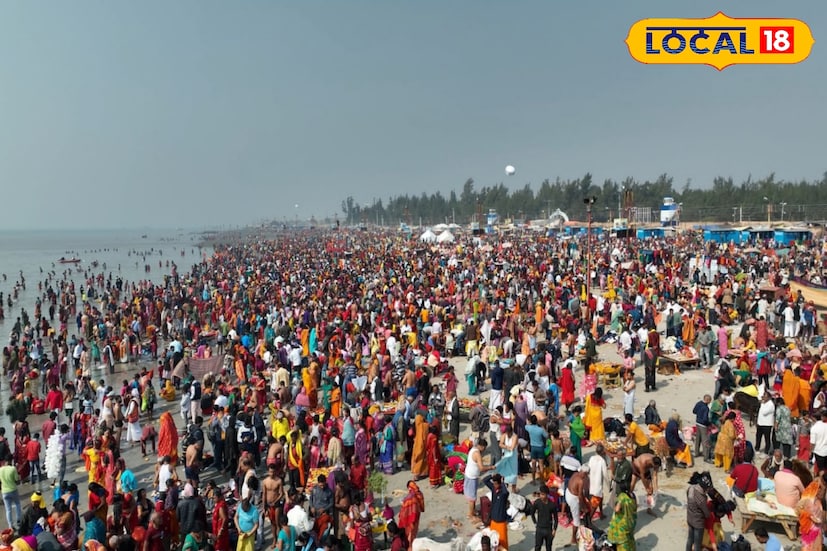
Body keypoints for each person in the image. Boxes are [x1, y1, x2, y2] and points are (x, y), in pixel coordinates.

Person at [464, 438, 492, 520]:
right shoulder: (477, 454)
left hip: (471, 475)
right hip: (471, 477)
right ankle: (470, 514)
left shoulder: (473, 449)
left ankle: (473, 510)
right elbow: (481, 468)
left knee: (473, 496)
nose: (484, 450)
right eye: (484, 448)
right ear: (481, 446)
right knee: (472, 498)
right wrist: (490, 467)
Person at [796, 474, 826, 551]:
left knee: (807, 545)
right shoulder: (816, 503)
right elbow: (818, 519)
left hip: (807, 528)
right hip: (813, 529)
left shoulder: (807, 496)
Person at [565, 466, 592, 546]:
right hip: (573, 498)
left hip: (568, 493)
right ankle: (573, 538)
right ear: (585, 473)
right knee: (576, 521)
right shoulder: (581, 481)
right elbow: (580, 496)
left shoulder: (575, 474)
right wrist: (584, 507)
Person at [685, 472, 712, 551]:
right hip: (698, 523)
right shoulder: (701, 497)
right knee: (697, 544)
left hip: (689, 518)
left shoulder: (691, 488)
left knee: (690, 539)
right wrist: (709, 514)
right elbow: (706, 513)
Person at [606, 486, 637, 551]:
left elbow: (617, 509)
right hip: (630, 523)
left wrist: (614, 507)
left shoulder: (622, 496)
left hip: (622, 525)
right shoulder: (633, 495)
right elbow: (635, 506)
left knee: (622, 543)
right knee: (629, 539)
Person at [484, 473, 510, 550]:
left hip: (501, 521)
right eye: (494, 483)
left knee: (503, 540)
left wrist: (502, 482)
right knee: (493, 539)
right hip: (493, 520)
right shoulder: (493, 489)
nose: (494, 485)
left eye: (496, 484)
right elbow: (485, 480)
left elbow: (506, 492)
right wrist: (491, 475)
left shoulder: (503, 493)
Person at [398, 481, 425, 547]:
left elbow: (405, 509)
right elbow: (421, 505)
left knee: (409, 533)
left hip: (410, 518)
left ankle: (410, 546)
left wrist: (402, 503)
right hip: (416, 515)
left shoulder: (409, 498)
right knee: (413, 532)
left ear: (409, 488)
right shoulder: (418, 493)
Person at [234, 487, 259, 551]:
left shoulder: (254, 511)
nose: (244, 511)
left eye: (246, 510)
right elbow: (235, 517)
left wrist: (249, 534)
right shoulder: (240, 506)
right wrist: (238, 529)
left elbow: (256, 525)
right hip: (241, 533)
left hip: (249, 534)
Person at [525, 415, 548, 483]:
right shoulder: (540, 430)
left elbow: (526, 425)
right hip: (540, 447)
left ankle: (533, 480)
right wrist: (542, 426)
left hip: (533, 447)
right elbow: (546, 436)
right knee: (541, 465)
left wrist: (528, 422)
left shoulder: (529, 428)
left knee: (533, 464)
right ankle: (542, 480)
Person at [0, 463, 21, 530]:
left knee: (8, 509)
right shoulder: (13, 468)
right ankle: (19, 520)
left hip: (4, 492)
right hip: (13, 490)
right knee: (17, 504)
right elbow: (17, 479)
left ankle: (10, 525)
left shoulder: (0, 469)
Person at [692, 395, 713, 463]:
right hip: (703, 426)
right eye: (710, 401)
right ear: (707, 400)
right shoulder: (706, 408)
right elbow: (705, 419)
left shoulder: (699, 403)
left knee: (697, 439)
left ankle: (696, 453)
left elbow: (694, 411)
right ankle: (706, 457)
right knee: (705, 441)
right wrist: (709, 424)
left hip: (697, 423)